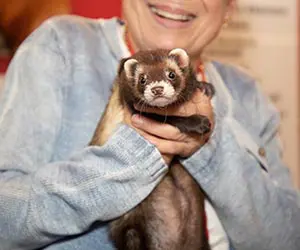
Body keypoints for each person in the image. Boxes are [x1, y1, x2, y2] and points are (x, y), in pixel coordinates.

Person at [0, 0, 299, 249]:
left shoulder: (247, 94)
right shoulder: (61, 46)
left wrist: (210, 146)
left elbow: (289, 238)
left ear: (228, 8)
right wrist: (135, 155)